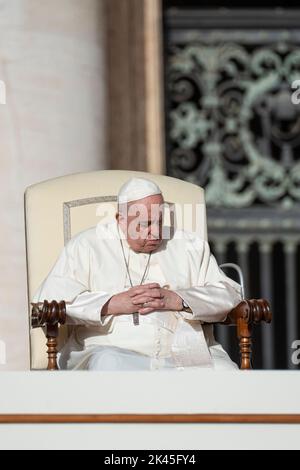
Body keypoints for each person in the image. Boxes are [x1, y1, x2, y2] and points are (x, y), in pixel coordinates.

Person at [33, 177, 242, 371]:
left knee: (227, 373)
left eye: (160, 222)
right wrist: (111, 304)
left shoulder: (189, 244)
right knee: (109, 364)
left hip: (187, 354)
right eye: (145, 224)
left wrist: (179, 299)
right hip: (112, 351)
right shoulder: (87, 245)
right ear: (120, 220)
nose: (156, 233)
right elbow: (45, 305)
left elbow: (229, 295)